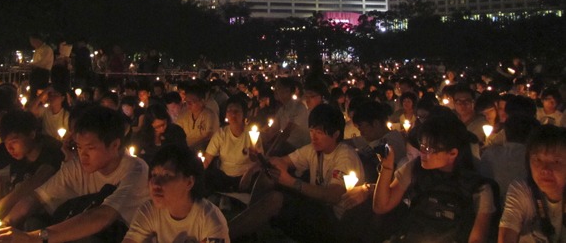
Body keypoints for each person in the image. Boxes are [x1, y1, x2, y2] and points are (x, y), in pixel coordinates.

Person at [0, 106, 150, 242]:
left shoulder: (135, 169)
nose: (83, 155)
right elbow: (37, 197)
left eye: (90, 148)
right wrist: (2, 224)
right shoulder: (77, 167)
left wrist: (33, 238)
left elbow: (102, 216)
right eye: (79, 147)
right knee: (33, 221)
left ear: (115, 145)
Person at [229, 104, 365, 243]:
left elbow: (333, 196)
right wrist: (257, 161)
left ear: (335, 134)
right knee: (269, 175)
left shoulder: (344, 156)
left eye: (319, 132)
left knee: (277, 198)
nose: (313, 137)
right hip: (316, 207)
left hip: (335, 221)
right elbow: (281, 162)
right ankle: (248, 224)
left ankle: (224, 235)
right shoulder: (314, 150)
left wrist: (292, 182)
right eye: (311, 131)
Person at [373, 114, 496, 243]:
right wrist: (386, 168)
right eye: (422, 146)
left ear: (453, 153)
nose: (422, 153)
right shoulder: (415, 169)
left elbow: (477, 239)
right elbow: (381, 206)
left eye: (429, 149)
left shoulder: (479, 188)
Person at [123, 144, 230, 243]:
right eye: (154, 175)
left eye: (167, 175)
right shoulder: (149, 211)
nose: (155, 184)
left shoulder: (209, 219)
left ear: (189, 182)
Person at [498, 124, 566, 242]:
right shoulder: (522, 190)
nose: (545, 169)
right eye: (537, 160)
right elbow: (506, 237)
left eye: (556, 161)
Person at [203, 96, 255, 193]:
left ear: (244, 114)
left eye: (237, 111)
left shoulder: (252, 134)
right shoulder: (221, 134)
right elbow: (207, 159)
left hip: (246, 176)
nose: (233, 114)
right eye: (229, 110)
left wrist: (249, 172)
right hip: (224, 176)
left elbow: (259, 160)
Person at [176, 82, 219, 152]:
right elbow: (177, 131)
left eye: (191, 102)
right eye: (186, 102)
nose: (188, 105)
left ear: (202, 101)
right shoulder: (184, 114)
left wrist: (191, 148)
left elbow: (209, 136)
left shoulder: (210, 115)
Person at [28, 33, 54, 99]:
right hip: (35, 72)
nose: (32, 44)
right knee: (33, 91)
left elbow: (42, 62)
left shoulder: (47, 49)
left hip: (42, 73)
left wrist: (31, 65)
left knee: (40, 92)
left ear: (37, 40)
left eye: (32, 41)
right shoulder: (37, 50)